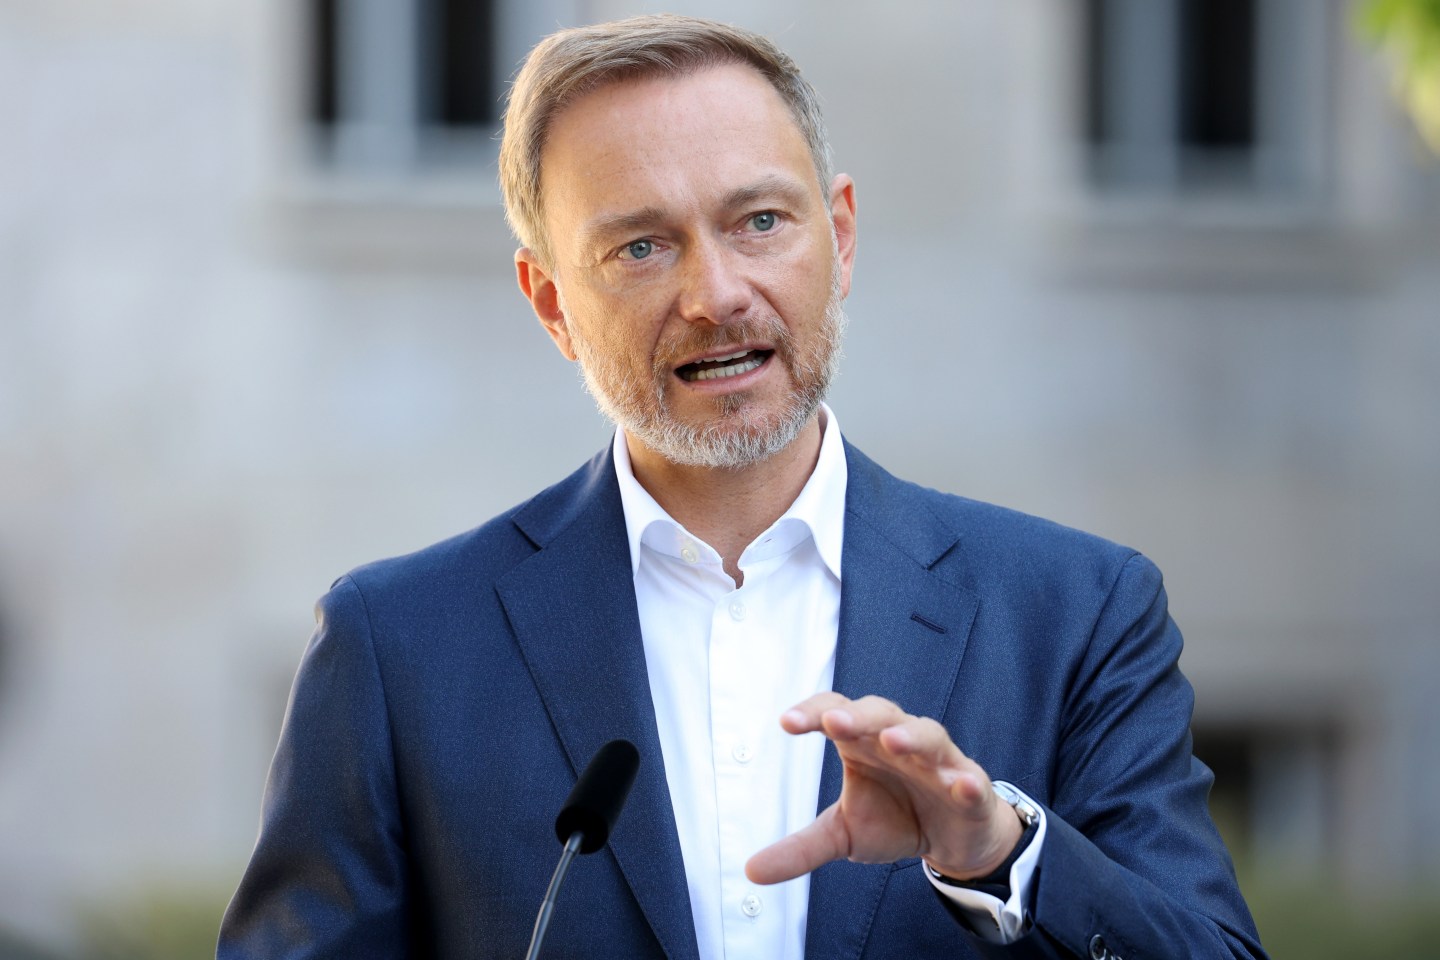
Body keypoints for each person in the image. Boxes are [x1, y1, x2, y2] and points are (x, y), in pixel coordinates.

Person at [218, 14, 1266, 960]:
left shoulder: (1077, 615)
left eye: (760, 221)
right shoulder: (396, 649)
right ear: (550, 302)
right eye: (640, 246)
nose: (716, 295)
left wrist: (1005, 852)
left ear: (841, 237)